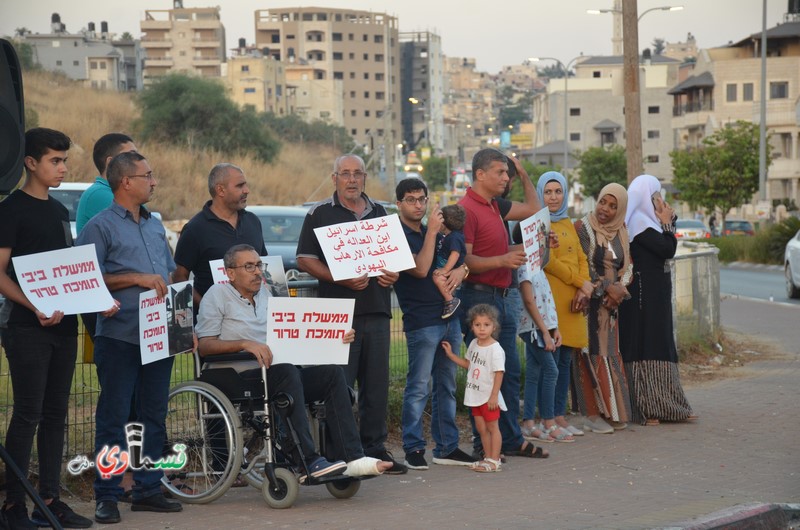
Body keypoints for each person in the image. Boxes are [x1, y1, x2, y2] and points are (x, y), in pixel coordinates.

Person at [196, 244, 391, 480]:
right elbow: (205, 345)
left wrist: (335, 336)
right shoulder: (216, 295)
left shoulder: (267, 294)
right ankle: (307, 460)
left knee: (332, 375)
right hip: (237, 374)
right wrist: (244, 343)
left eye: (259, 265)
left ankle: (351, 457)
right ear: (230, 272)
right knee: (287, 372)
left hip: (276, 372)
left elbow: (295, 335)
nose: (257, 271)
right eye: (249, 266)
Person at [76, 151, 182, 524]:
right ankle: (106, 494)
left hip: (159, 337)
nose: (153, 182)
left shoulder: (155, 226)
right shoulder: (100, 227)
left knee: (154, 414)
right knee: (114, 416)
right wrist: (135, 278)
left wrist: (183, 325)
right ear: (126, 182)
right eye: (147, 175)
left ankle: (148, 489)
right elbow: (85, 278)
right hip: (119, 336)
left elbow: (168, 277)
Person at [0, 128, 95, 529]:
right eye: (55, 161)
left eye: (64, 160)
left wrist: (94, 297)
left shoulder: (58, 211)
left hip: (63, 327)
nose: (62, 168)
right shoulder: (11, 210)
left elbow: (66, 274)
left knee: (56, 413)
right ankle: (13, 505)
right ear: (31, 162)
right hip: (25, 328)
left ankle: (49, 499)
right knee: (28, 414)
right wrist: (34, 305)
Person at [296, 154, 406, 473]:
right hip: (339, 315)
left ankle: (375, 448)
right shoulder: (319, 213)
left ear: (365, 177)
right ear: (334, 179)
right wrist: (337, 276)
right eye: (345, 174)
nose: (352, 179)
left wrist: (393, 273)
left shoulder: (380, 212)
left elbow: (394, 259)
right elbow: (304, 259)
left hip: (378, 310)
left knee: (376, 385)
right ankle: (338, 452)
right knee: (340, 385)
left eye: (357, 173)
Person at [457, 148, 548, 460]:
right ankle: (484, 445)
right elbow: (466, 260)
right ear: (480, 174)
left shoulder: (495, 205)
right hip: (479, 298)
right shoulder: (467, 208)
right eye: (500, 172)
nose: (505, 178)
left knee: (507, 371)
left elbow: (534, 209)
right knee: (483, 374)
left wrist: (523, 174)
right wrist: (504, 258)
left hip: (501, 297)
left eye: (508, 173)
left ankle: (508, 438)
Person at [393, 179, 475, 471]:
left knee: (446, 385)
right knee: (418, 386)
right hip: (422, 321)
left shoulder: (436, 233)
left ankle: (447, 447)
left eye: (422, 199)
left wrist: (462, 271)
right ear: (399, 203)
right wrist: (432, 233)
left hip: (449, 318)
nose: (418, 205)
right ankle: (413, 448)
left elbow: (458, 258)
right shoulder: (398, 235)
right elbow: (421, 268)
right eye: (411, 199)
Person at [619, 174, 696, 426]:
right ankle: (647, 408)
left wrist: (667, 222)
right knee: (646, 345)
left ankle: (669, 405)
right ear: (644, 197)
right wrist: (666, 224)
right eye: (655, 196)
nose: (660, 201)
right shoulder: (640, 224)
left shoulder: (648, 223)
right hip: (642, 298)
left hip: (655, 296)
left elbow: (666, 246)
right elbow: (667, 249)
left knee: (659, 343)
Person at [573, 183, 634, 434]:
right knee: (589, 354)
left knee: (609, 352)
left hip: (611, 307)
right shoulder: (583, 227)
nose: (605, 210)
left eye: (612, 206)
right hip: (589, 302)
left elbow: (628, 265)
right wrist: (608, 288)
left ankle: (613, 412)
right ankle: (592, 413)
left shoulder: (621, 230)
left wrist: (620, 290)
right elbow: (584, 265)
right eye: (602, 202)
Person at [537, 172, 591, 437]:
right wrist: (581, 281)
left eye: (558, 191)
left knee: (566, 360)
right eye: (548, 192)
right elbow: (548, 261)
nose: (554, 197)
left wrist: (586, 287)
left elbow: (581, 256)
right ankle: (548, 418)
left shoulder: (568, 222)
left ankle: (560, 415)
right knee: (552, 363)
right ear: (540, 194)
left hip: (574, 300)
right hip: (553, 299)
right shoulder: (540, 224)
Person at [173, 163, 268, 306]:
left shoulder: (253, 221)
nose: (247, 190)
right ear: (220, 190)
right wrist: (206, 306)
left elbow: (264, 266)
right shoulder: (195, 229)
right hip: (215, 324)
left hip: (255, 321)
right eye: (240, 186)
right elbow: (179, 277)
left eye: (245, 185)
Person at [511, 225, 572, 444]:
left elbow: (546, 299)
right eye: (537, 236)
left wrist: (555, 327)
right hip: (534, 328)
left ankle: (528, 423)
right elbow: (529, 300)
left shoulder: (538, 264)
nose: (542, 240)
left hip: (544, 327)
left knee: (535, 373)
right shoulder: (525, 265)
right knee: (551, 370)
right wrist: (545, 332)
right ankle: (548, 421)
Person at [442, 304, 508, 472]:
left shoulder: (496, 349)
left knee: (493, 428)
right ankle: (487, 458)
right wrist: (451, 356)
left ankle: (495, 461)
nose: (482, 329)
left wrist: (494, 396)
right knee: (481, 429)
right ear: (472, 326)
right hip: (475, 396)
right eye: (477, 325)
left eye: (486, 325)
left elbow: (499, 373)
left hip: (488, 397)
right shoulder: (473, 344)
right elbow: (469, 365)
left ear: (494, 326)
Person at [76, 132, 138, 234]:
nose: (138, 161)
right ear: (110, 162)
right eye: (131, 155)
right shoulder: (99, 194)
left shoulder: (119, 192)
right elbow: (135, 231)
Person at [434, 204, 466, 319]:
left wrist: (446, 269)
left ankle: (451, 300)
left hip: (451, 269)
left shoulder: (454, 237)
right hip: (448, 267)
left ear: (444, 222)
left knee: (437, 277)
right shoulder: (447, 236)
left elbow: (455, 253)